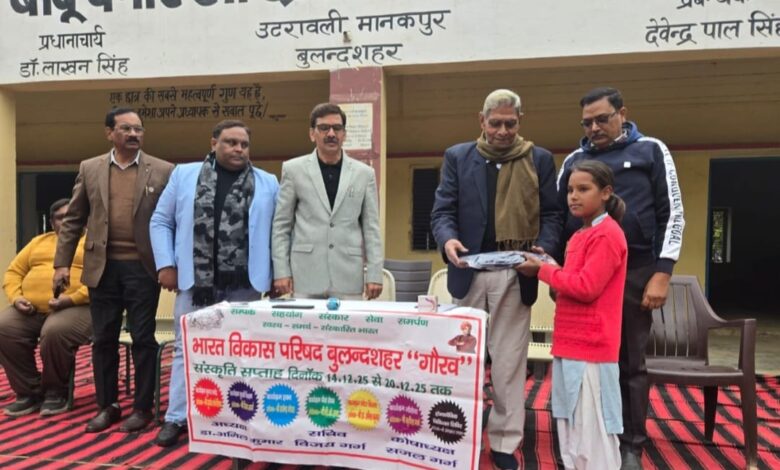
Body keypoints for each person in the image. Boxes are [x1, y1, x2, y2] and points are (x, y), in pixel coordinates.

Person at [430, 89, 562, 470]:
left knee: (508, 363)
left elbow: (553, 215)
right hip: (468, 272)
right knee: (463, 360)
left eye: (510, 124)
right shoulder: (458, 157)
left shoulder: (538, 159)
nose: (503, 131)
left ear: (520, 121)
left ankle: (504, 442)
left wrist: (542, 248)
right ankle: (460, 434)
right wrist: (447, 240)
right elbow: (442, 211)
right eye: (496, 124)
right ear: (481, 121)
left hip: (515, 274)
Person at [556, 87, 684, 470]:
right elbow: (558, 219)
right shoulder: (575, 161)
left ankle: (630, 444)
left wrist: (662, 272)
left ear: (622, 113)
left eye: (602, 119)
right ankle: (584, 440)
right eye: (587, 122)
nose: (594, 127)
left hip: (636, 272)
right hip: (583, 274)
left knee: (629, 362)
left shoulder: (651, 150)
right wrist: (558, 272)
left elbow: (673, 214)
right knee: (581, 362)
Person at [150, 119, 279, 447]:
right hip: (196, 282)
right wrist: (166, 263)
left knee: (240, 351)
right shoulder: (184, 175)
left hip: (245, 283)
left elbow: (278, 233)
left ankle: (236, 416)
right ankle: (176, 418)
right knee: (187, 349)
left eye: (244, 144)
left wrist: (278, 274)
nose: (238, 149)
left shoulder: (267, 182)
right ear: (213, 143)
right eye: (231, 142)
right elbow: (161, 220)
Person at [53, 108, 174, 434]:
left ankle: (142, 408)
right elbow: (73, 219)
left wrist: (169, 264)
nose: (134, 134)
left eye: (138, 129)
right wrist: (61, 264)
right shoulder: (90, 168)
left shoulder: (163, 170)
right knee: (103, 339)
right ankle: (108, 407)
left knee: (143, 338)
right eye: (126, 129)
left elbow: (172, 220)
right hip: (102, 268)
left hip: (142, 269)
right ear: (109, 133)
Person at [518, 160, 627, 469]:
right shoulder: (580, 234)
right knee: (571, 426)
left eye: (583, 189)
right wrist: (551, 266)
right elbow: (570, 281)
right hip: (569, 341)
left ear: (605, 192)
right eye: (569, 190)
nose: (574, 196)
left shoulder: (607, 234)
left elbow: (586, 287)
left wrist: (543, 271)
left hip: (592, 346)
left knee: (593, 430)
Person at [272, 102, 383, 300]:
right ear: (312, 134)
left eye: (337, 128)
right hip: (305, 275)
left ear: (344, 134)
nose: (331, 133)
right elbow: (281, 225)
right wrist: (281, 271)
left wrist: (374, 274)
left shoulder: (364, 174)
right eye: (324, 128)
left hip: (348, 276)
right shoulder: (293, 170)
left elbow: (371, 228)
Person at [0, 199, 92, 417]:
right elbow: (14, 272)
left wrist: (71, 299)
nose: (66, 221)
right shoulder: (38, 242)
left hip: (78, 307)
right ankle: (29, 392)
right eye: (60, 217)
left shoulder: (92, 243)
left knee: (54, 331)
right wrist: (16, 298)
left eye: (72, 216)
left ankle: (56, 392)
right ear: (52, 223)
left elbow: (101, 279)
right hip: (31, 310)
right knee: (4, 327)